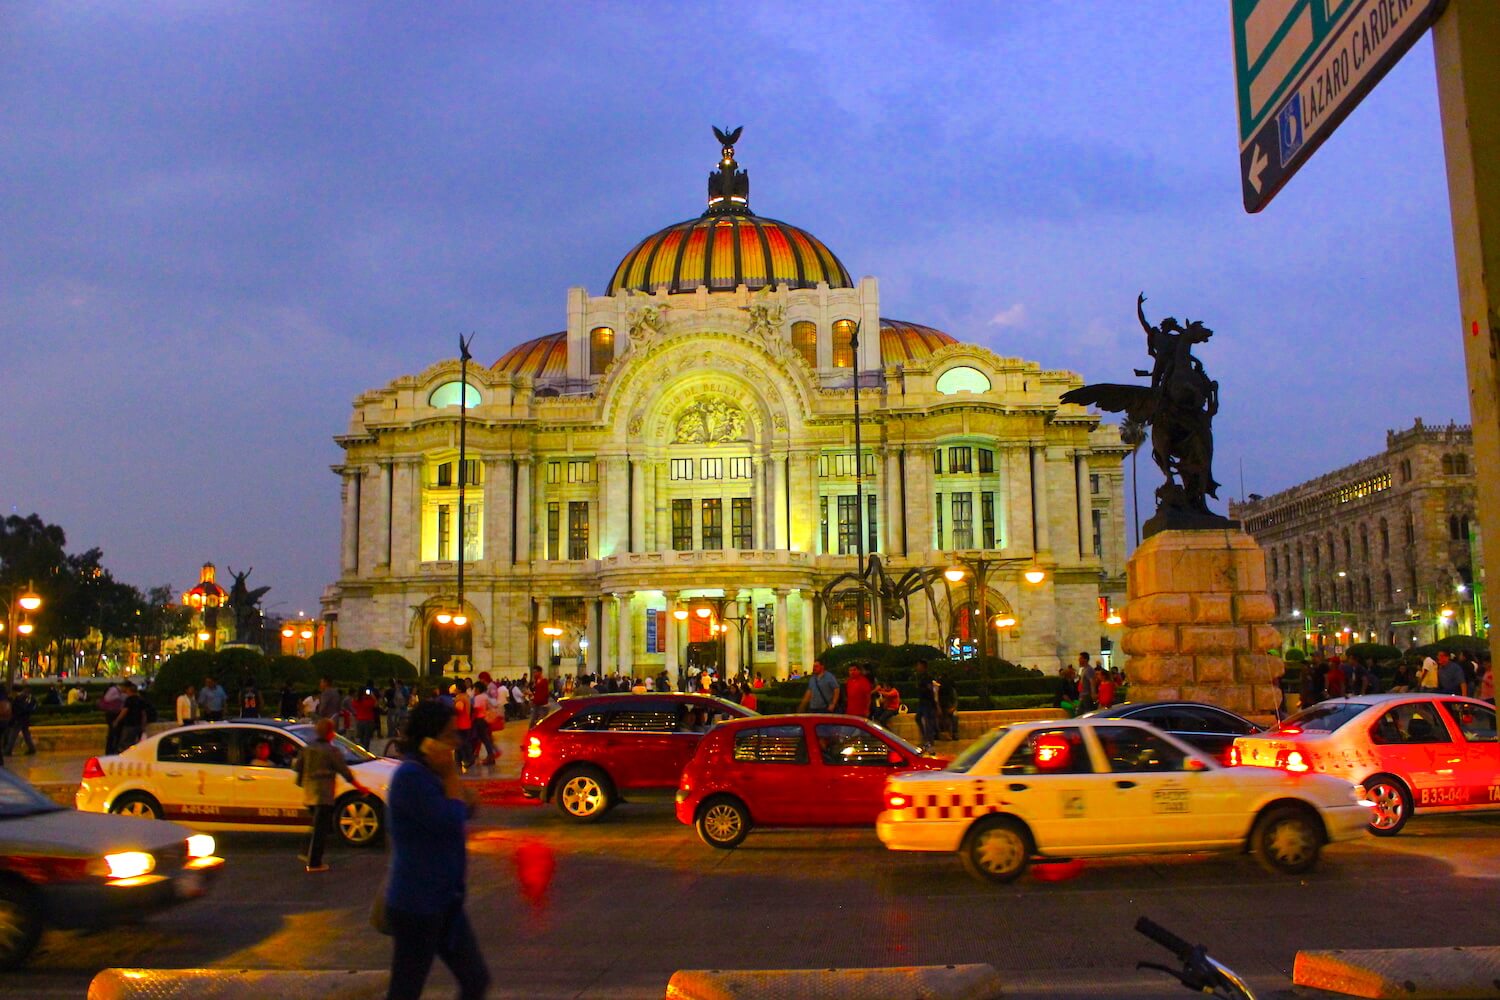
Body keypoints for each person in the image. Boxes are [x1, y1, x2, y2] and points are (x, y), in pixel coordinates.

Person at [384, 700, 490, 1000]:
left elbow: (466, 807)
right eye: (449, 735)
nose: (457, 742)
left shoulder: (429, 774)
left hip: (445, 902)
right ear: (428, 739)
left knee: (475, 979)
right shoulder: (411, 777)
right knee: (406, 989)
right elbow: (450, 818)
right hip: (417, 905)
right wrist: (451, 778)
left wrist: (455, 791)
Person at [292, 717, 368, 873]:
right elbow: (345, 771)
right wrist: (360, 787)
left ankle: (305, 851)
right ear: (330, 733)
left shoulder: (308, 749)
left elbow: (298, 767)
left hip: (309, 791)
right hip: (324, 793)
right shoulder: (332, 751)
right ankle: (314, 862)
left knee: (316, 824)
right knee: (321, 828)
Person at [113, 681, 150, 750]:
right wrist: (143, 724)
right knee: (133, 741)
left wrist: (117, 721)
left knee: (125, 742)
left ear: (129, 690)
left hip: (129, 724)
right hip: (137, 724)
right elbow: (143, 713)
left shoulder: (129, 700)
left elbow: (124, 712)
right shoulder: (140, 699)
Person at [913, 660, 938, 751]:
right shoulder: (920, 677)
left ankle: (929, 740)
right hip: (922, 702)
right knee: (919, 718)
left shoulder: (927, 677)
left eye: (919, 665)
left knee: (928, 722)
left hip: (927, 702)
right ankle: (926, 738)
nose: (917, 667)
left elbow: (930, 690)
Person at [5, 686, 36, 757]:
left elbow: (16, 709)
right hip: (25, 719)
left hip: (18, 719)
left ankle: (8, 750)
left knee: (13, 735)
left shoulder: (19, 698)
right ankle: (32, 748)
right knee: (26, 734)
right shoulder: (29, 698)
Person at [100, 682, 125, 753]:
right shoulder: (114, 690)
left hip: (113, 713)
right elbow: (107, 698)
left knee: (114, 733)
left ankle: (113, 749)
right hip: (112, 714)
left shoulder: (116, 690)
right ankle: (110, 750)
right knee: (113, 732)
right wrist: (118, 697)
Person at [936, 671, 959, 741]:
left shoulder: (951, 692)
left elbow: (955, 701)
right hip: (943, 708)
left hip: (950, 707)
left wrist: (953, 708)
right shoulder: (939, 692)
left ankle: (954, 733)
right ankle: (944, 734)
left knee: (954, 717)